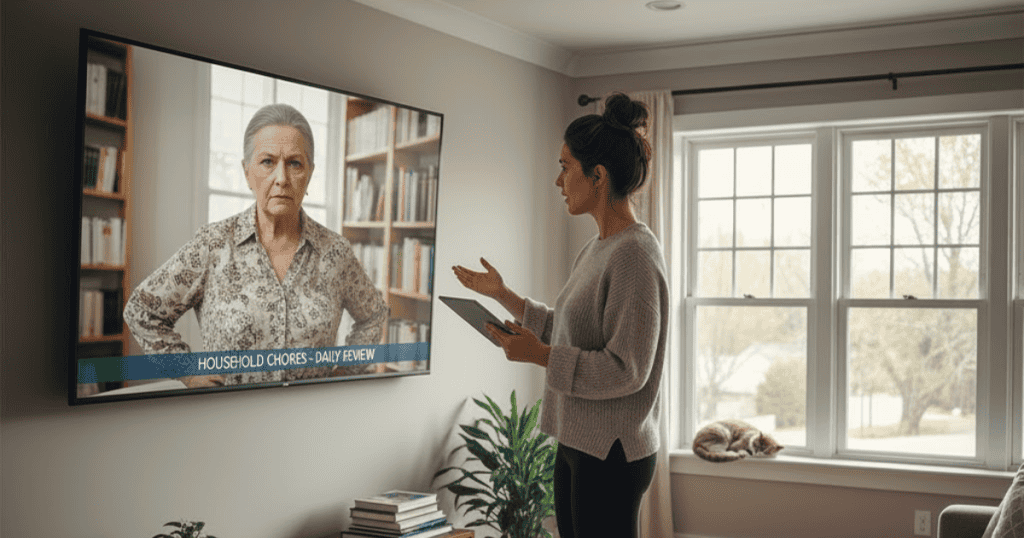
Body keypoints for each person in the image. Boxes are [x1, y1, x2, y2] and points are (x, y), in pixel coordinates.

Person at [452, 93, 668, 538]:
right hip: (577, 437)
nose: (558, 180)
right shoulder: (598, 247)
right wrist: (503, 296)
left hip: (613, 450)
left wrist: (542, 357)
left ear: (599, 176)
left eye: (565, 166)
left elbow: (628, 369)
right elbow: (568, 333)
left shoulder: (635, 256)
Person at [124, 103, 388, 388]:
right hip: (231, 420)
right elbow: (142, 311)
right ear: (247, 172)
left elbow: (374, 315)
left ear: (309, 174)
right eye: (267, 162)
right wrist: (188, 373)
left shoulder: (335, 252)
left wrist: (346, 372)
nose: (282, 179)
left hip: (312, 420)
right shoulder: (213, 245)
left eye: (295, 163)